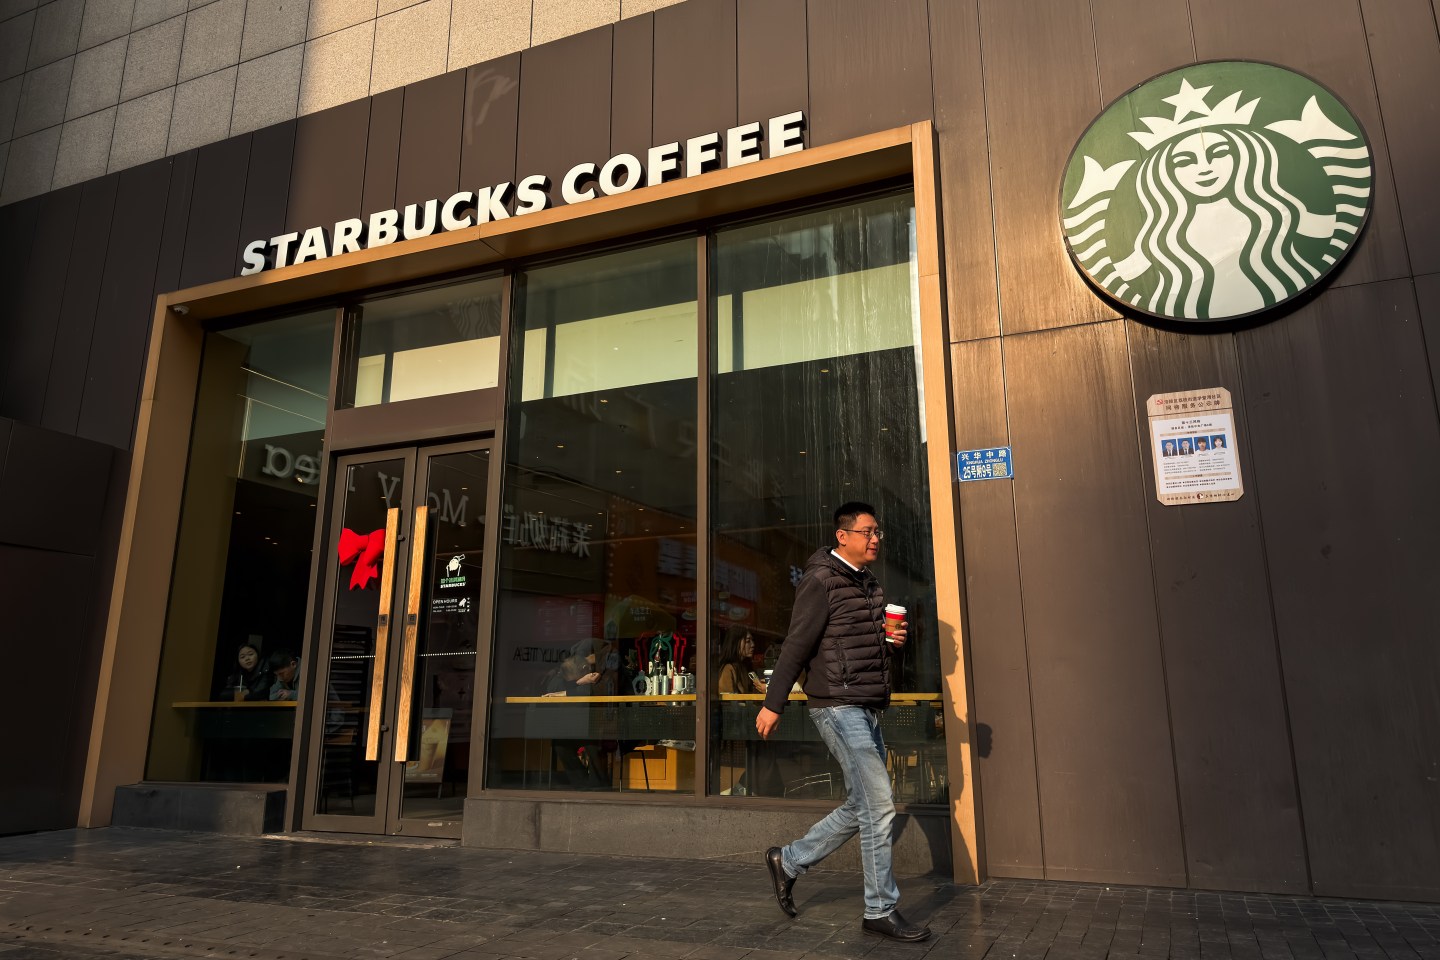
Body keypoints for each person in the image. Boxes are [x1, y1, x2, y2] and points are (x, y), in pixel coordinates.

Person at [757, 501, 930, 943]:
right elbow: (796, 644)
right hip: (836, 704)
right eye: (868, 532)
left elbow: (864, 649)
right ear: (843, 536)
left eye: (878, 533)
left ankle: (789, 861)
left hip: (866, 703)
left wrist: (894, 644)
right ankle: (879, 909)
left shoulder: (868, 584)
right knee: (880, 804)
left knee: (862, 805)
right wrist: (774, 703)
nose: (876, 539)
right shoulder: (821, 581)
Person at [717, 626, 767, 696]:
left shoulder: (745, 667)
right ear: (735, 643)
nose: (753, 645)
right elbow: (727, 701)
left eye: (752, 640)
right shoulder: (727, 669)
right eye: (747, 641)